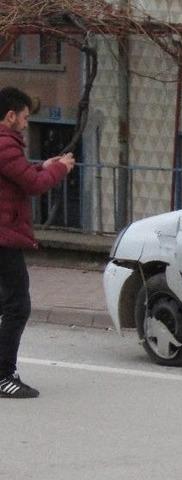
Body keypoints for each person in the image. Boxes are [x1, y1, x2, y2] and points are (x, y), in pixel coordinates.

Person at [0, 87, 74, 399]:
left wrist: (44, 164)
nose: (28, 124)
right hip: (3, 237)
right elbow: (32, 185)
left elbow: (19, 174)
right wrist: (59, 169)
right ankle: (4, 374)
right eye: (26, 118)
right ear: (10, 116)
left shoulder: (7, 146)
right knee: (18, 305)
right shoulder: (4, 144)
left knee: (8, 303)